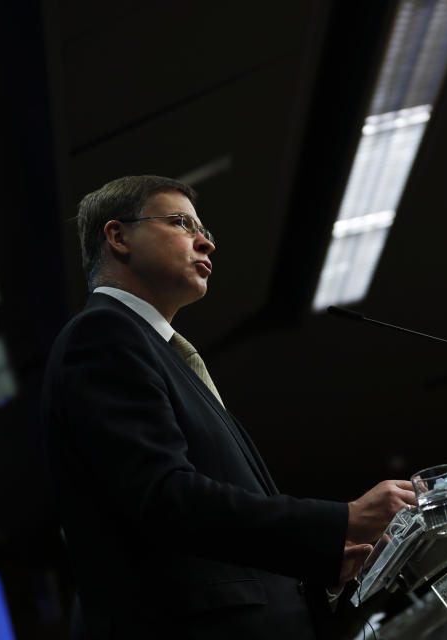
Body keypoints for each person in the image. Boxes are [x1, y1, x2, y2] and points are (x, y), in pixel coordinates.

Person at [41, 175, 416, 639]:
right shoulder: (101, 336)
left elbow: (214, 529)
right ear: (118, 237)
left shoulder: (161, 352)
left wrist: (320, 569)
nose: (206, 243)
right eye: (182, 223)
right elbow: (165, 498)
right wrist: (343, 519)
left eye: (206, 232)